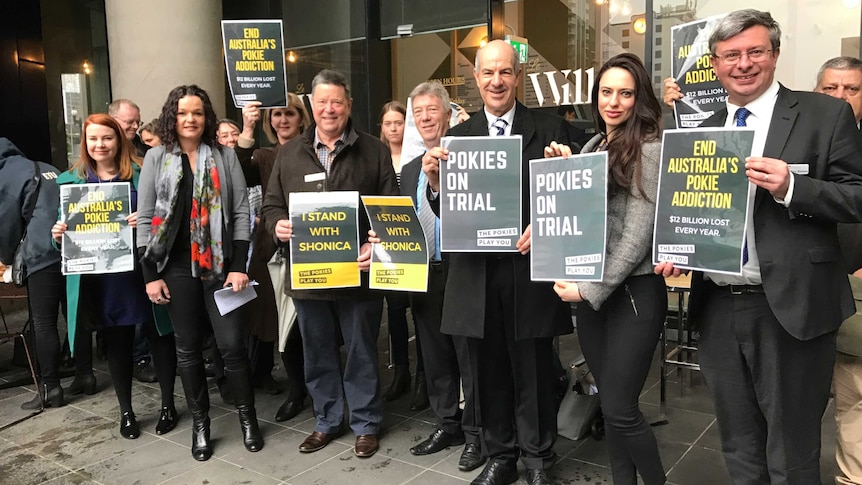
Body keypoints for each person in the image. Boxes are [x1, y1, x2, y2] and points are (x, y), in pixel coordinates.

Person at [655, 10, 862, 484]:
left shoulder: (823, 113)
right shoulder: (700, 126)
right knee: (739, 442)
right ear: (715, 63)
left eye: (755, 52)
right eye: (731, 55)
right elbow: (692, 206)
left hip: (792, 305)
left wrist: (793, 186)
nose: (743, 64)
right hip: (718, 309)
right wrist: (679, 248)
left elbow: (857, 196)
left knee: (791, 451)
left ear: (774, 54)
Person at [421, 40, 573, 485]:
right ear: (476, 79)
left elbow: (565, 204)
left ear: (517, 76)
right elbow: (452, 212)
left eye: (504, 72)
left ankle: (540, 459)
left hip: (528, 274)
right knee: (487, 373)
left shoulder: (549, 130)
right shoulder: (458, 139)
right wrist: (434, 184)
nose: (496, 81)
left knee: (534, 371)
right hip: (475, 275)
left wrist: (545, 220)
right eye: (488, 73)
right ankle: (501, 456)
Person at [262, 69, 399, 459]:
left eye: (336, 101)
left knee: (361, 352)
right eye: (321, 102)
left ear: (348, 106)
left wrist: (378, 244)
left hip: (358, 274)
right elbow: (272, 204)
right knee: (318, 352)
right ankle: (326, 420)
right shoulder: (288, 154)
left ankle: (366, 424)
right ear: (312, 106)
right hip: (309, 276)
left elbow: (388, 208)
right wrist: (278, 226)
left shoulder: (373, 150)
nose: (329, 109)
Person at [551, 53, 667, 484]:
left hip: (632, 295)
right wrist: (563, 171)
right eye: (606, 92)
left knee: (621, 407)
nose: (613, 102)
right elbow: (579, 218)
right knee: (611, 408)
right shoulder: (593, 146)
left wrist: (588, 289)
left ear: (639, 98)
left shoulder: (650, 148)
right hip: (597, 296)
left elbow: (637, 236)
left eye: (625, 93)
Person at [137, 84, 261, 460]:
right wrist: (149, 275)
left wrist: (239, 266)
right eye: (182, 113)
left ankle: (247, 419)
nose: (190, 119)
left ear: (206, 117)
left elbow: (241, 212)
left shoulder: (224, 156)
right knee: (187, 351)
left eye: (197, 113)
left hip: (222, 267)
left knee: (232, 346)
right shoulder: (157, 158)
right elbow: (145, 219)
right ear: (171, 117)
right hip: (173, 268)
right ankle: (201, 424)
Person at [51, 114, 178, 439]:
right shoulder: (71, 182)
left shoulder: (142, 173)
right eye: (93, 139)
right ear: (85, 143)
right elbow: (63, 239)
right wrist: (59, 234)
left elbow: (168, 215)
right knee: (118, 341)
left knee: (159, 335)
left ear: (118, 139)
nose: (100, 145)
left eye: (106, 138)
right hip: (104, 277)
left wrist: (148, 220)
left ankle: (168, 405)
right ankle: (126, 412)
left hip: (143, 268)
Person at [398, 82, 484, 472]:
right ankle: (446, 423)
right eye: (419, 113)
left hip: (461, 269)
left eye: (433, 110)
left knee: (470, 357)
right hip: (423, 271)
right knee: (434, 355)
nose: (426, 117)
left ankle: (477, 434)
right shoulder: (409, 167)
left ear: (448, 114)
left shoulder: (465, 156)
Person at [235, 94, 312, 421]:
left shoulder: (314, 151)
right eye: (277, 114)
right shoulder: (263, 156)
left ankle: (319, 387)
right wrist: (247, 128)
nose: (283, 120)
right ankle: (297, 390)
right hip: (273, 253)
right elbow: (238, 172)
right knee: (285, 327)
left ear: (301, 118)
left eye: (290, 114)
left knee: (313, 326)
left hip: (314, 246)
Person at [0, 138, 77, 411]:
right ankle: (85, 375)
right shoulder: (43, 166)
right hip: (70, 247)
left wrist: (6, 259)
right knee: (74, 314)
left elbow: (7, 225)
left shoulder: (5, 176)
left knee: (43, 322)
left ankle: (50, 387)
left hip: (41, 252)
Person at [814, 56, 862, 485]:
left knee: (854, 403)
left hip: (857, 295)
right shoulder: (799, 139)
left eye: (851, 89)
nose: (841, 97)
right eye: (831, 89)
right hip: (808, 294)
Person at [378, 100, 427, 409]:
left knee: (421, 312)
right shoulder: (378, 157)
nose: (394, 128)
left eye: (399, 122)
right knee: (395, 312)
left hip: (419, 242)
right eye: (388, 124)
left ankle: (424, 375)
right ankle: (401, 373)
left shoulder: (418, 158)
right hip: (390, 246)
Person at [109, 99, 158, 384]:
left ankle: (145, 356)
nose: (135, 127)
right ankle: (133, 359)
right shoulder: (91, 164)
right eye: (130, 122)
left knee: (145, 308)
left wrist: (146, 213)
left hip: (142, 247)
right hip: (110, 252)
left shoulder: (143, 155)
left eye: (137, 121)